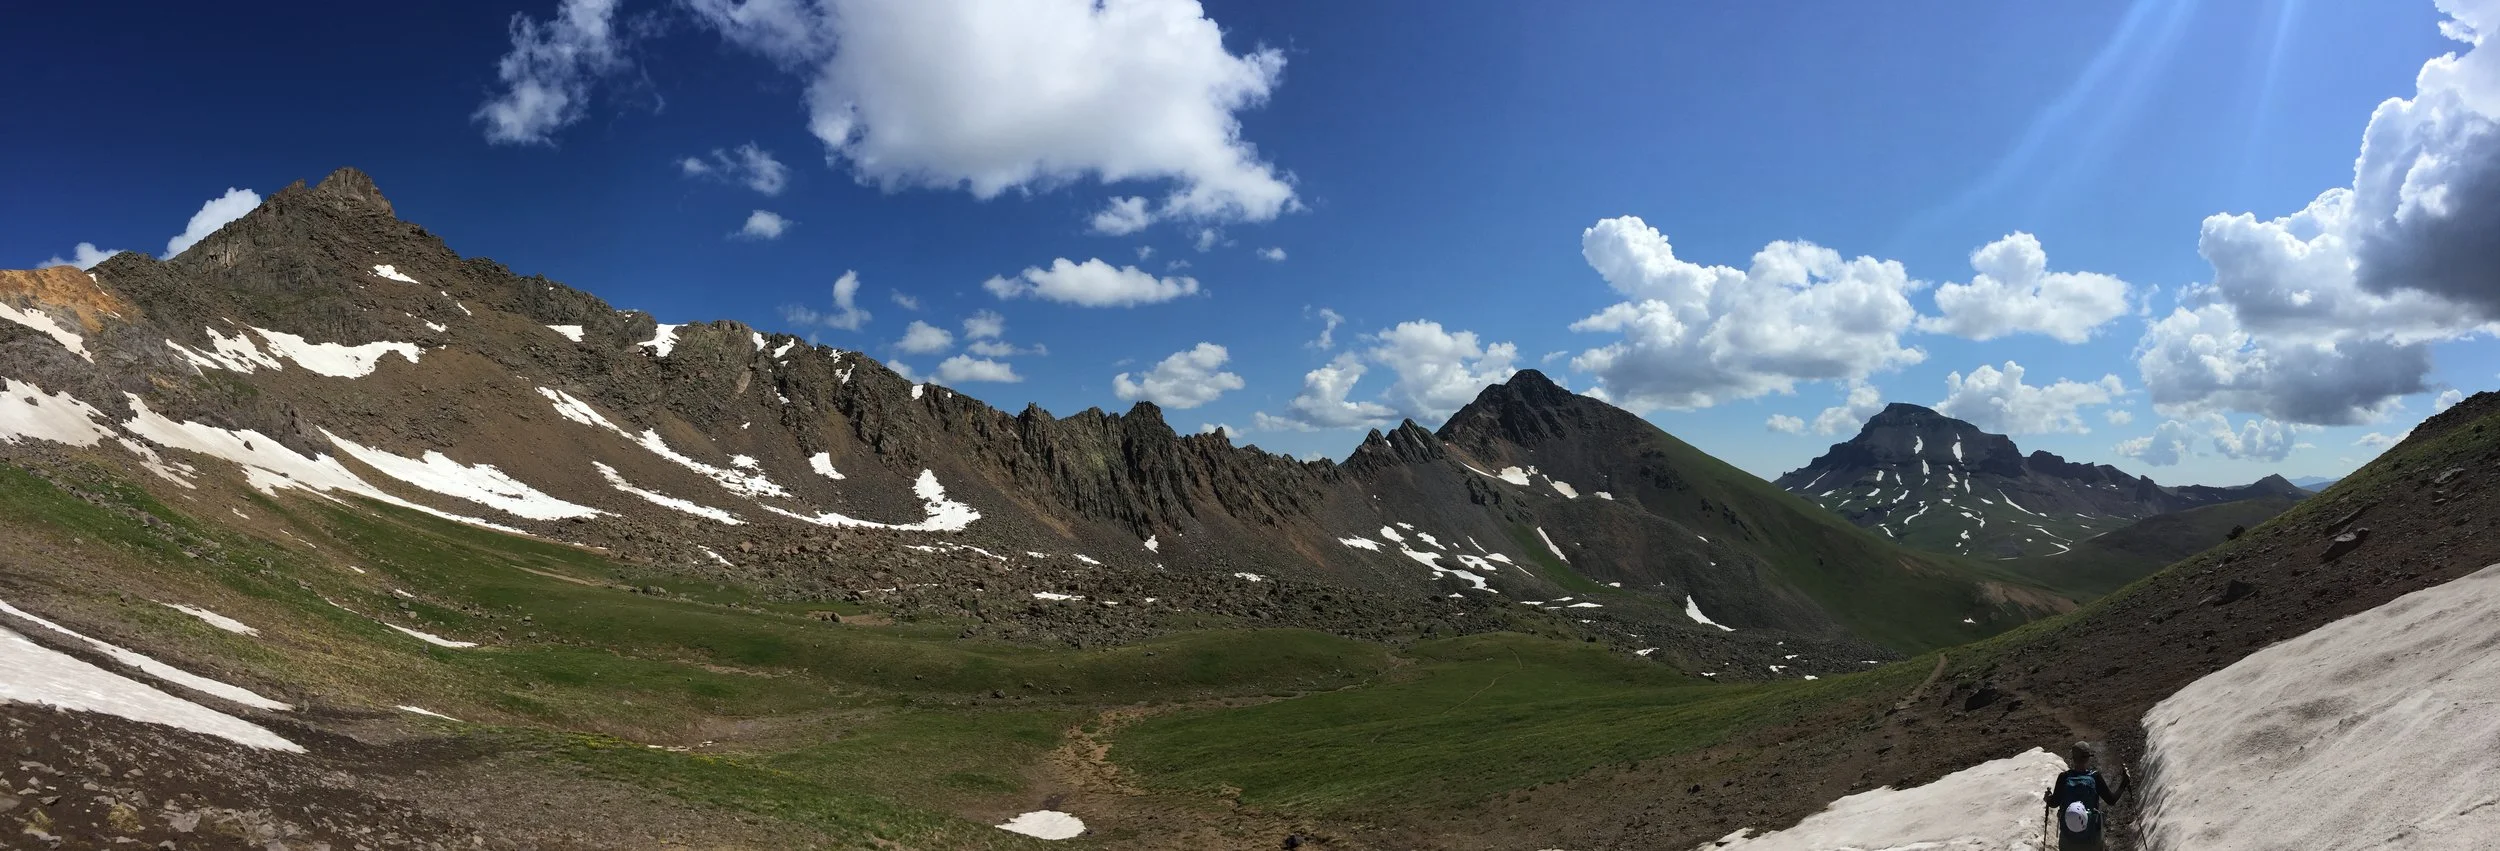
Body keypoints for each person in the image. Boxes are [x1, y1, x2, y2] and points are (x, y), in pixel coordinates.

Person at [2043, 742, 2128, 849]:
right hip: (2092, 838)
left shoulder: (2064, 777)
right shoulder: (2095, 777)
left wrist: (2048, 798)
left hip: (2068, 838)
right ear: (2087, 758)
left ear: (2073, 758)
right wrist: (2124, 782)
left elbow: (2054, 803)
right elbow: (2111, 800)